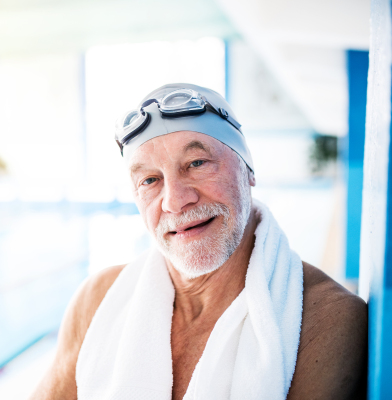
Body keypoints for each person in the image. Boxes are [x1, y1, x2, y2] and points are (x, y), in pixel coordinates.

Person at [31, 84, 367, 400]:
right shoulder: (97, 299)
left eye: (196, 163)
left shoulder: (326, 319)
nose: (175, 201)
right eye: (150, 180)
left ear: (249, 169)